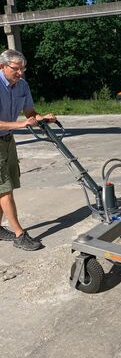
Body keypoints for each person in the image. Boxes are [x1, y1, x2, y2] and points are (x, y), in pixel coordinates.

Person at [0, 49, 56, 251]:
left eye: (23, 68)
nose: (20, 73)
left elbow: (30, 112)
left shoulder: (22, 85)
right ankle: (19, 235)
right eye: (16, 69)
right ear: (2, 66)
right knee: (4, 188)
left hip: (7, 140)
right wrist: (20, 124)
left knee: (7, 185)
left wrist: (43, 118)